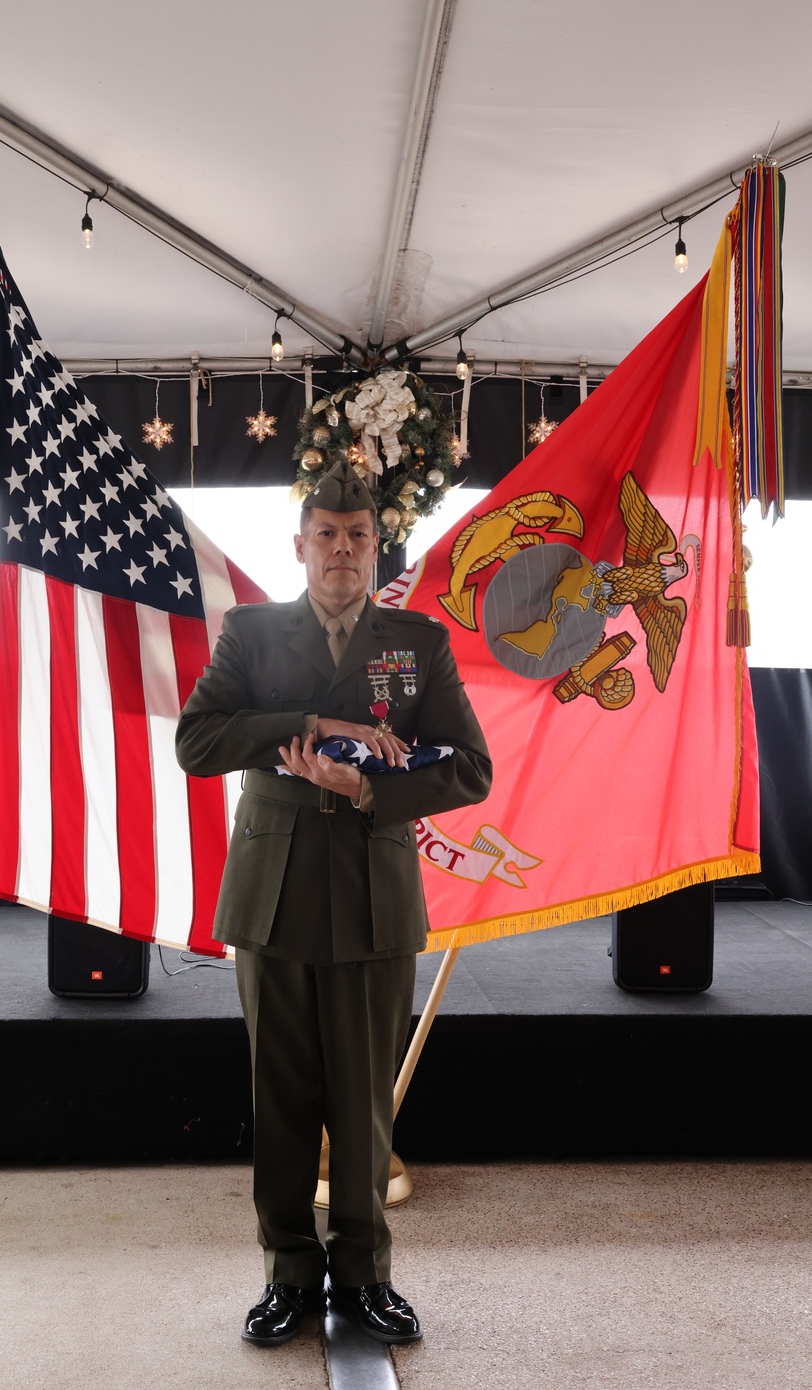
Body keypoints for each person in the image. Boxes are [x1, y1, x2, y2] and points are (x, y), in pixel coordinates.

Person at [175, 462, 492, 1346]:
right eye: (327, 534)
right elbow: (196, 740)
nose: (342, 550)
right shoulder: (252, 631)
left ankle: (363, 1275)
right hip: (272, 896)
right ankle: (286, 1273)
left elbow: (469, 767)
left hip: (371, 893)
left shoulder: (417, 640)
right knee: (279, 1096)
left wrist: (365, 787)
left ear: (376, 545)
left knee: (363, 1099)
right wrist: (312, 728)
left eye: (358, 535)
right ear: (301, 544)